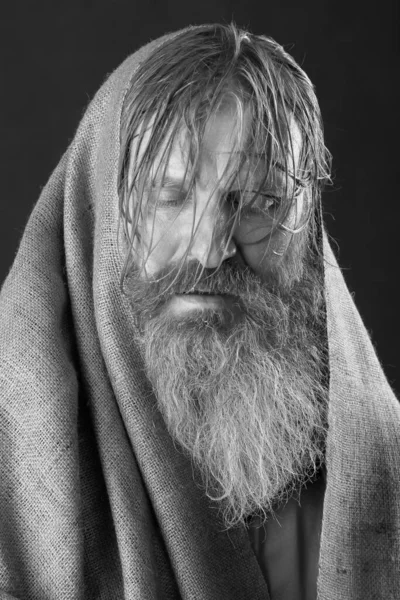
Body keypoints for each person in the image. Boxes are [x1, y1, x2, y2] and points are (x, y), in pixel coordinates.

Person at [0, 23, 398, 600]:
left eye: (258, 203)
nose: (211, 248)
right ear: (97, 222)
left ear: (307, 236)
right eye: (170, 197)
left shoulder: (377, 480)